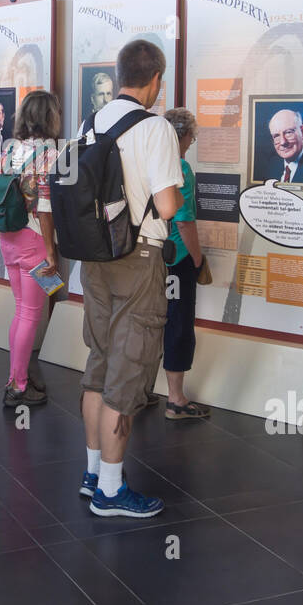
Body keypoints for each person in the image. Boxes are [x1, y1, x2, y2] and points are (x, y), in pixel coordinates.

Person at [79, 41, 183, 517]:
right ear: (156, 79)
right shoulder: (154, 127)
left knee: (99, 364)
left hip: (94, 258)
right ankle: (113, 491)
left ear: (119, 73)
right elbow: (166, 206)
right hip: (139, 258)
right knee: (130, 366)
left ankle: (92, 473)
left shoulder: (89, 123)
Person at [0, 90, 62, 407]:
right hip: (34, 238)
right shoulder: (47, 151)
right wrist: (51, 250)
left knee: (20, 311)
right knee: (30, 316)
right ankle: (19, 386)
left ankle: (16, 377)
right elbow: (45, 206)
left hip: (8, 237)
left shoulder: (10, 149)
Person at [163, 108, 210, 420]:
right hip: (178, 259)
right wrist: (197, 258)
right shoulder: (181, 168)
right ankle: (176, 399)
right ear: (182, 135)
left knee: (154, 322)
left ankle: (139, 391)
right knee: (180, 324)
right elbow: (185, 223)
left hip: (151, 257)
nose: (193, 141)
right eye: (192, 134)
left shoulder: (152, 163)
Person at [266, 108, 303, 184]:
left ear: (302, 132)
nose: (283, 142)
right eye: (276, 136)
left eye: (288, 132)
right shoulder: (272, 166)